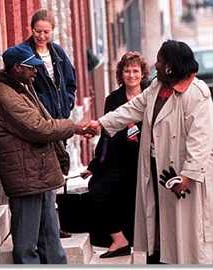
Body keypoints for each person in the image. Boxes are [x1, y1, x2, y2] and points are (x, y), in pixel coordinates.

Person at [86, 40, 213, 264]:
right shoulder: (156, 87)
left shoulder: (197, 93)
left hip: (183, 178)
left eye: (160, 61)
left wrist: (187, 176)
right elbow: (132, 108)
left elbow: (201, 139)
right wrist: (101, 124)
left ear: (170, 67)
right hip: (158, 170)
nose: (155, 65)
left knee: (186, 237)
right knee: (160, 230)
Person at [0, 44, 93, 264]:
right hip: (26, 178)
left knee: (50, 237)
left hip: (40, 173)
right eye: (31, 67)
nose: (36, 71)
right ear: (17, 67)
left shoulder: (23, 86)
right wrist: (73, 127)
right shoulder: (6, 95)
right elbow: (39, 128)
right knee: (27, 243)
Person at [80, 52, 150, 258]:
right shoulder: (114, 99)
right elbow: (106, 133)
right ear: (121, 74)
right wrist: (94, 165)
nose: (131, 75)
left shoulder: (151, 95)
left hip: (145, 158)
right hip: (118, 159)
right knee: (97, 190)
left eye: (135, 70)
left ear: (142, 73)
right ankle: (119, 239)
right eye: (127, 70)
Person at [24, 8, 77, 238]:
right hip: (40, 124)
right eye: (38, 31)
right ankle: (49, 226)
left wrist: (67, 105)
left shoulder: (58, 54)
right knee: (45, 173)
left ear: (52, 31)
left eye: (46, 32)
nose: (42, 36)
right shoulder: (25, 55)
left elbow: (70, 83)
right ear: (31, 29)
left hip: (59, 122)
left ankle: (57, 224)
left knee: (60, 168)